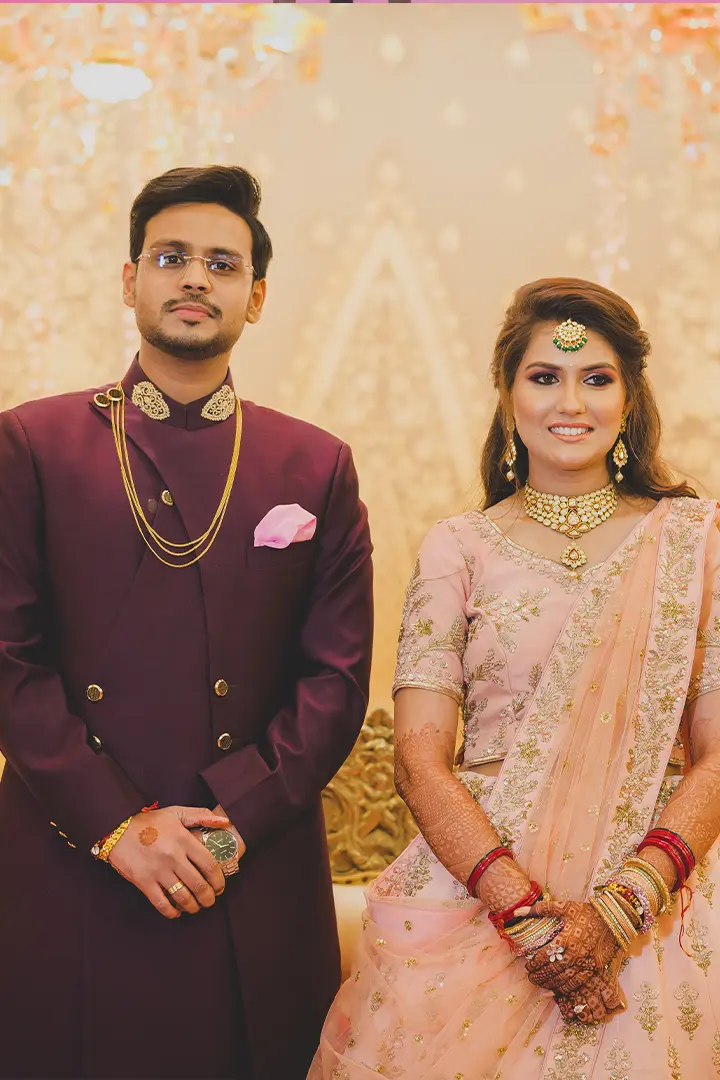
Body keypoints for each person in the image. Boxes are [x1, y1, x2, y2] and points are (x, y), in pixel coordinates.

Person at [0, 165, 373, 1080]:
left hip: (247, 858)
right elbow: (9, 660)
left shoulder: (314, 463)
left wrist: (229, 823)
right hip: (73, 848)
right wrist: (120, 827)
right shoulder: (32, 444)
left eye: (222, 263)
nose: (196, 278)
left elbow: (335, 681)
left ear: (256, 296)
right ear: (131, 281)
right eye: (171, 258)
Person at [311, 277, 720, 1078]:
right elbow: (419, 760)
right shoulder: (459, 547)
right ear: (507, 394)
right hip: (483, 896)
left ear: (630, 399)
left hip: (657, 903)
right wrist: (527, 921)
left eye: (596, 378)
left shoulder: (695, 544)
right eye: (544, 376)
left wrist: (621, 912)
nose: (570, 402)